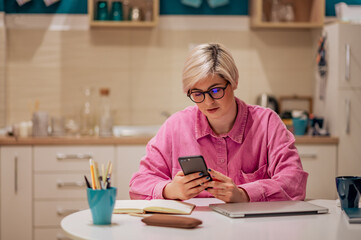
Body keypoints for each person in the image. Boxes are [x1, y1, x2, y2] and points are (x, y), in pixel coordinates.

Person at [129, 43, 308, 202]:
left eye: (216, 90)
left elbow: (294, 182)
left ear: (234, 82)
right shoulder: (176, 126)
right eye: (197, 94)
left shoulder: (267, 124)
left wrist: (244, 194)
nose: (208, 102)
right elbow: (138, 185)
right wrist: (170, 190)